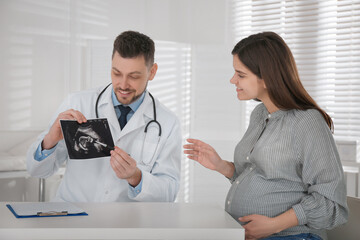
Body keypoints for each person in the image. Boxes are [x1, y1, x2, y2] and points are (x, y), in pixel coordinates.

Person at [183, 32, 348, 240]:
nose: (232, 80)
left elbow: (331, 203)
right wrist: (222, 166)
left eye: (240, 75)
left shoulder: (307, 122)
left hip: (294, 236)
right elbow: (262, 176)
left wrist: (274, 225)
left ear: (267, 78)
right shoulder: (260, 114)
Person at [27, 30, 181, 202]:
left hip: (126, 224)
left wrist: (136, 177)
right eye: (116, 73)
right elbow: (37, 171)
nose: (123, 84)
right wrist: (50, 141)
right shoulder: (78, 103)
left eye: (134, 76)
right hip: (74, 219)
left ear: (152, 72)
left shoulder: (167, 122)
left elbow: (170, 191)